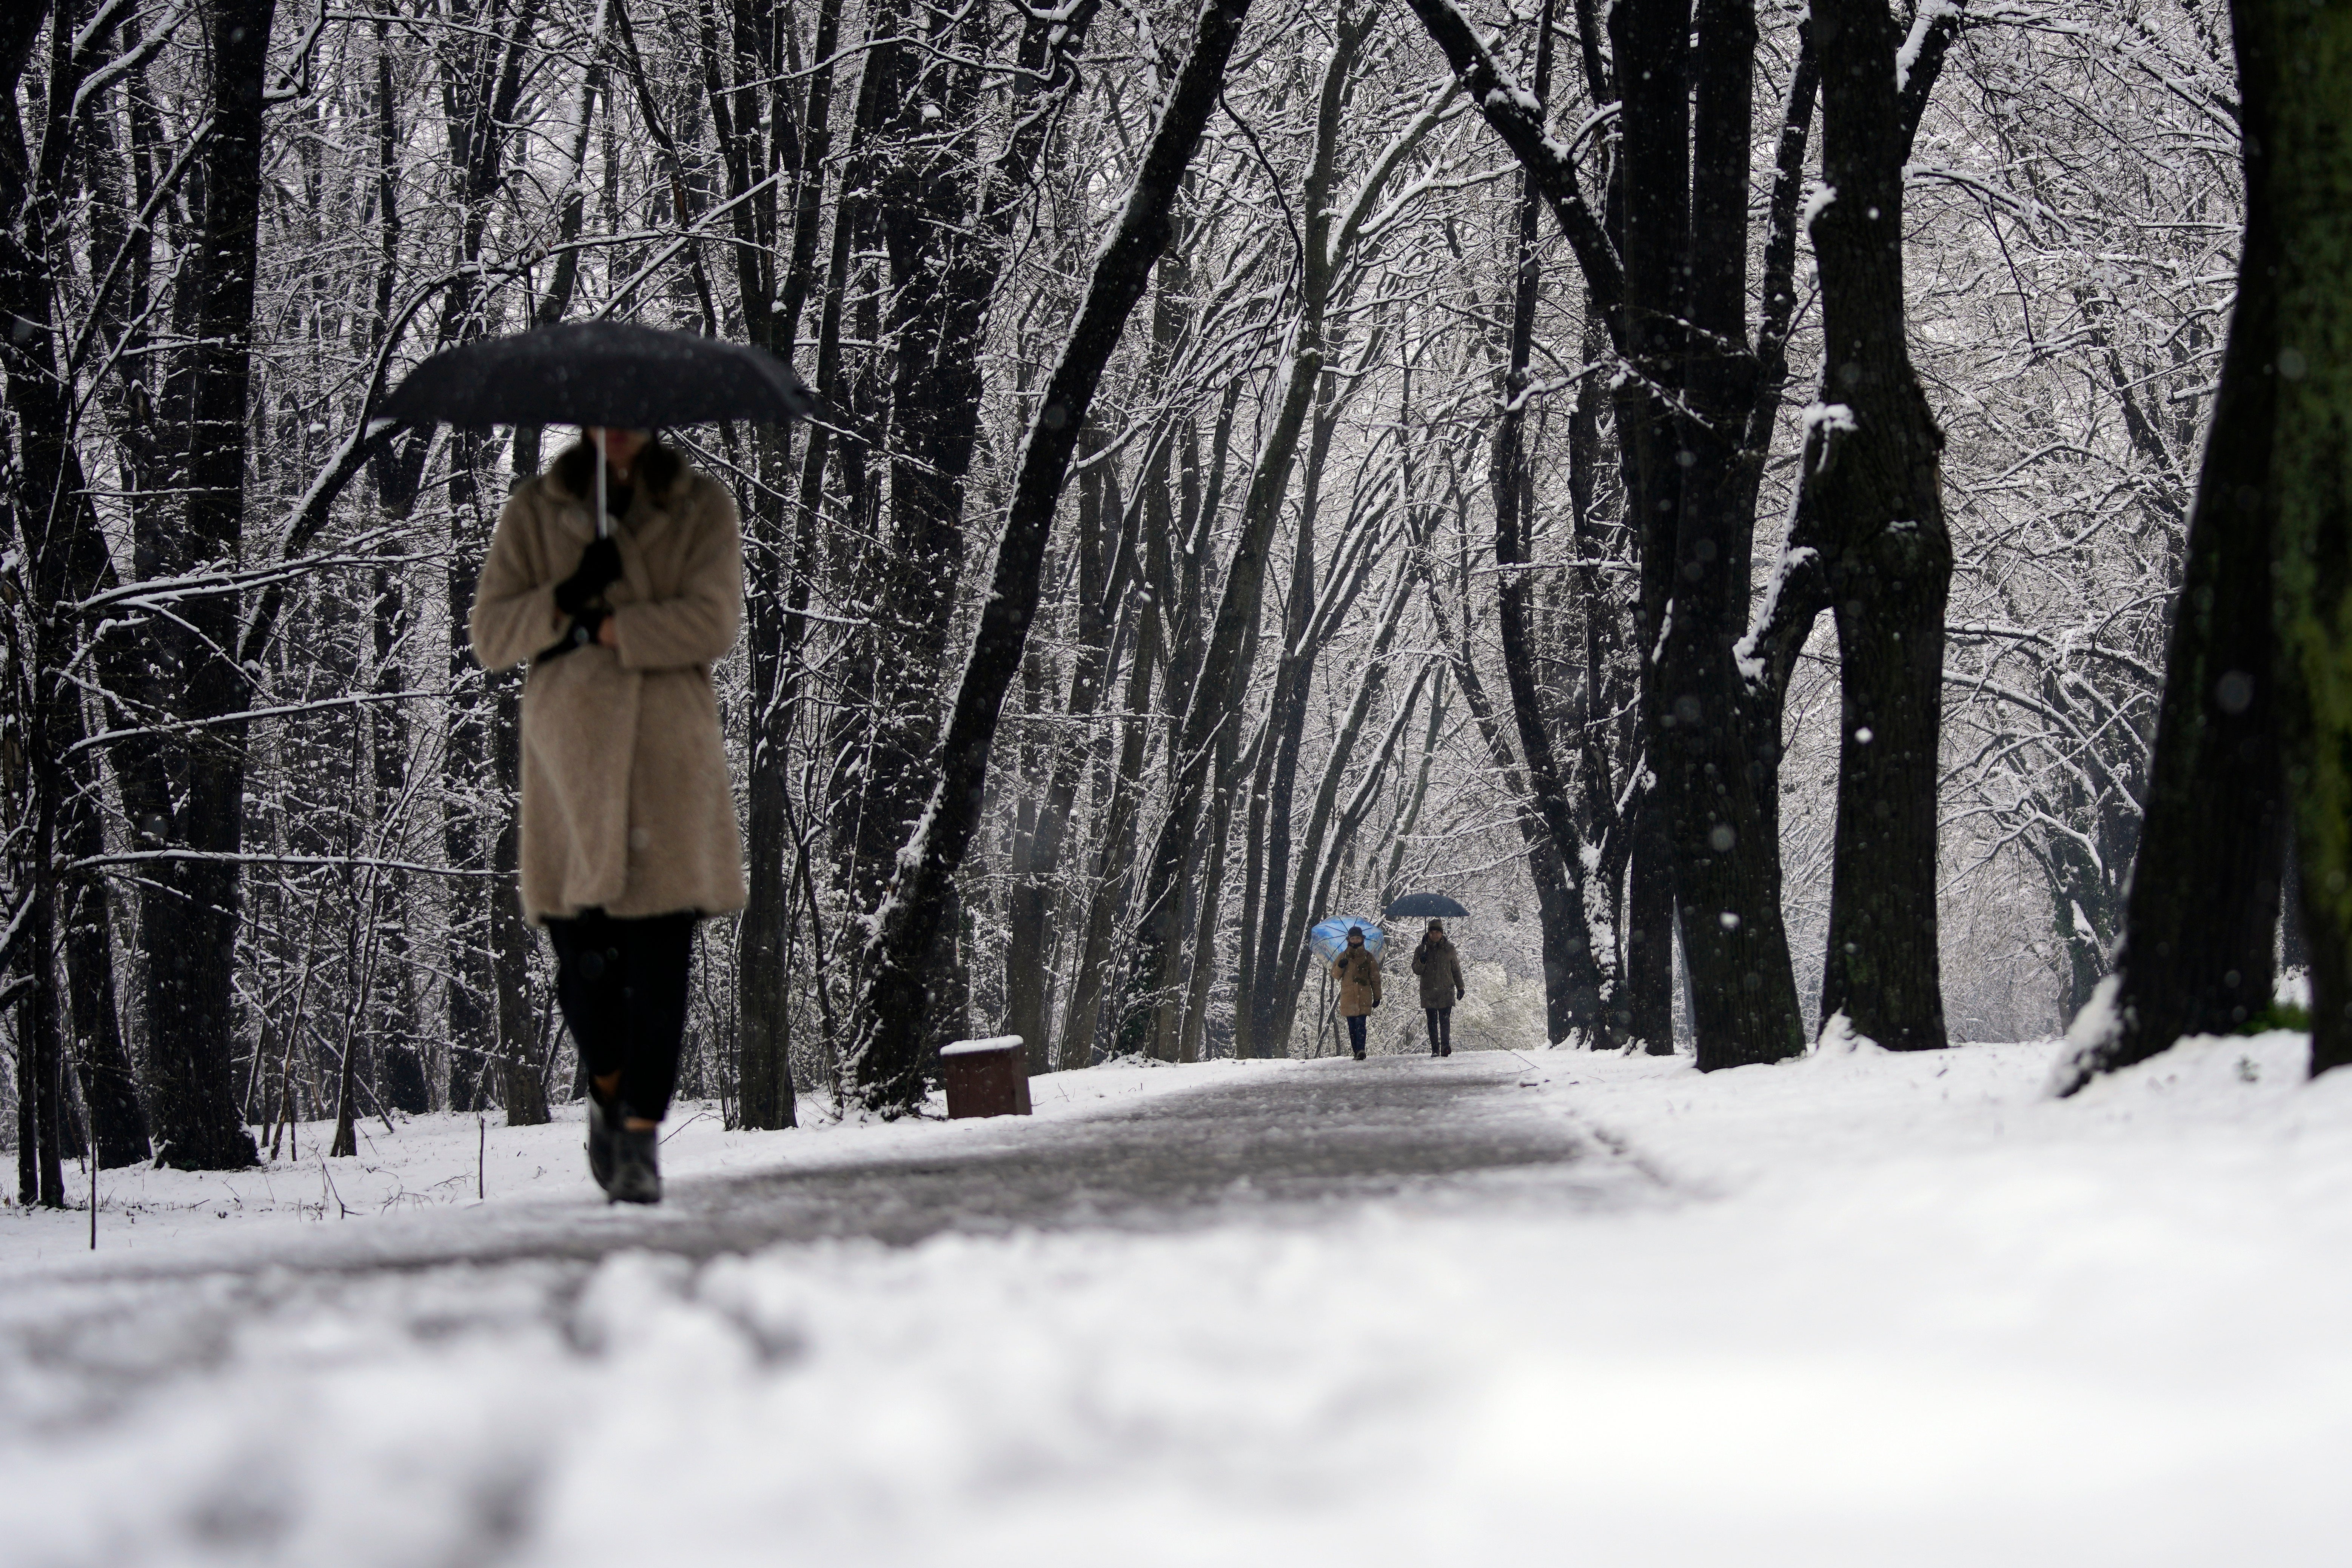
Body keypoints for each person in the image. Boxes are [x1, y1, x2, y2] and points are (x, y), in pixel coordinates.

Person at [469, 428, 747, 1204]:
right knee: (586, 968)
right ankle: (606, 1083)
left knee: (661, 968)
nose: (619, 425)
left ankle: (637, 1139)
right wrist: (564, 597)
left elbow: (712, 623)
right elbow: (491, 636)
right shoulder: (536, 512)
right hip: (571, 765)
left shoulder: (698, 507)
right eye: (604, 412)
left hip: (668, 761)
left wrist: (610, 626)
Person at [1410, 919, 1466, 1057]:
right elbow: (1416, 970)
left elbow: (1456, 970)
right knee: (1432, 1021)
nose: (1434, 935)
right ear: (1429, 933)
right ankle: (1435, 1048)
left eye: (1437, 932)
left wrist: (1460, 987)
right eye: (1432, 932)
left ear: (1442, 933)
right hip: (1428, 990)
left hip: (1446, 990)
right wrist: (1422, 961)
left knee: (1445, 1020)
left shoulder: (1449, 949)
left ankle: (1445, 1046)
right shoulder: (1421, 950)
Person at [1332, 926, 1382, 1060]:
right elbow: (1335, 975)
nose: (1355, 941)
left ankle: (1361, 1050)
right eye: (1353, 938)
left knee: (1361, 1024)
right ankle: (1356, 1051)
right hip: (1348, 997)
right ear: (1349, 940)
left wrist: (1378, 996)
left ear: (1362, 939)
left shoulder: (1368, 957)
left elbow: (1375, 978)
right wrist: (1341, 966)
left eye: (1358, 938)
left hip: (1364, 996)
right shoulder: (1343, 956)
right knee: (1352, 1027)